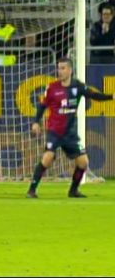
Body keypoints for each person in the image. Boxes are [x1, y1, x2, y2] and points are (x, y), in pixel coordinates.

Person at [28, 58, 115, 198]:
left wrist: (112, 96)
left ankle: (73, 190)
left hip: (70, 134)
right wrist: (35, 122)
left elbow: (94, 95)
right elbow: (42, 106)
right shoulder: (52, 88)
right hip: (55, 131)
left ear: (70, 70)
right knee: (48, 157)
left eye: (63, 68)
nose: (60, 71)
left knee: (83, 162)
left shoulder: (78, 86)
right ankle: (32, 190)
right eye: (59, 68)